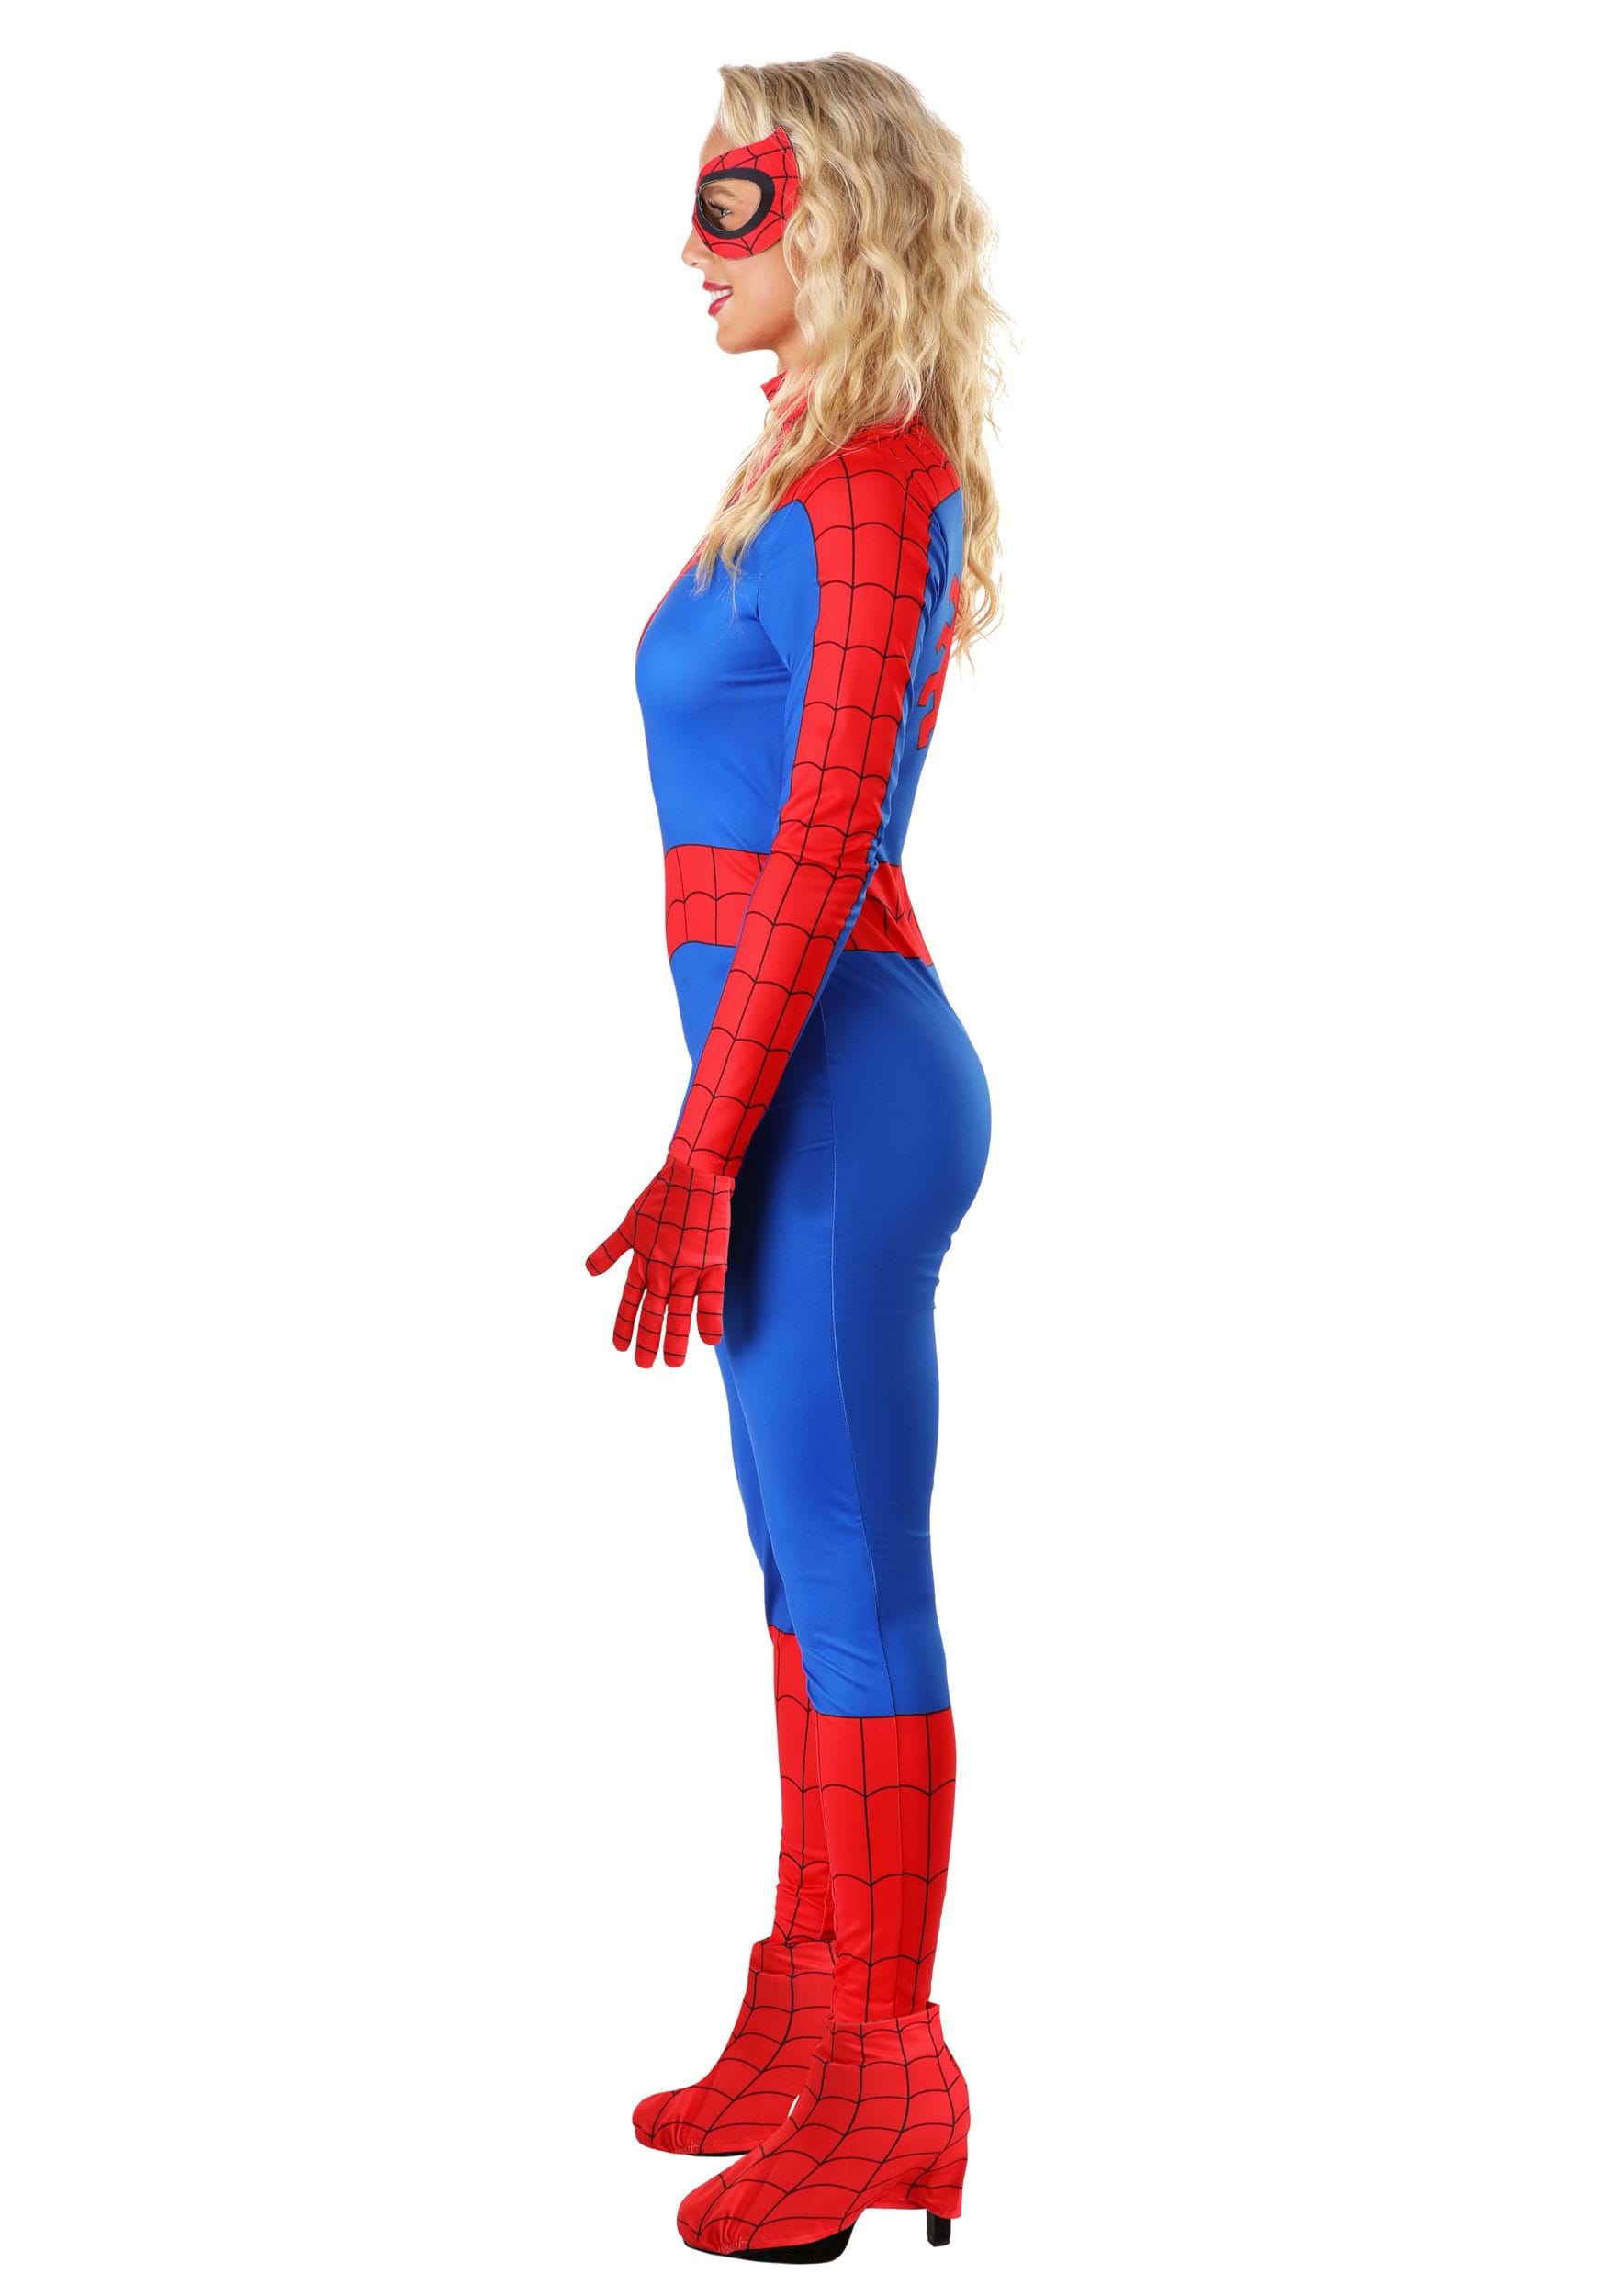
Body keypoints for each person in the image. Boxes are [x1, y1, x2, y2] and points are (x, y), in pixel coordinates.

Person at [585, 54, 1005, 2263]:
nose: (693, 245)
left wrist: (704, 1144)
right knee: (793, 1567)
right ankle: (816, 2008)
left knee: (850, 1572)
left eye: (733, 198)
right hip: (788, 1081)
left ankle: (894, 2072)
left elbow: (833, 831)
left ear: (837, 205)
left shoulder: (874, 477)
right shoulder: (800, 463)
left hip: (833, 1091)